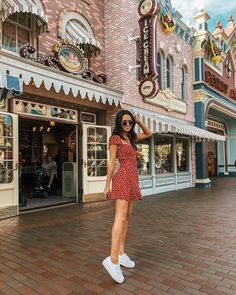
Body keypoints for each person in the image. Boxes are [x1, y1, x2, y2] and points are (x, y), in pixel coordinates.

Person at [102, 110, 152, 283]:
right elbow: (111, 162)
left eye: (130, 122)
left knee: (127, 217)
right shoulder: (115, 139)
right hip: (122, 178)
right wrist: (107, 184)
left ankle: (121, 253)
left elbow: (149, 133)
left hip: (132, 179)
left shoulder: (130, 138)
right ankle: (112, 259)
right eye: (125, 122)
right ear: (118, 123)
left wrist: (139, 119)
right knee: (120, 217)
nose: (128, 125)